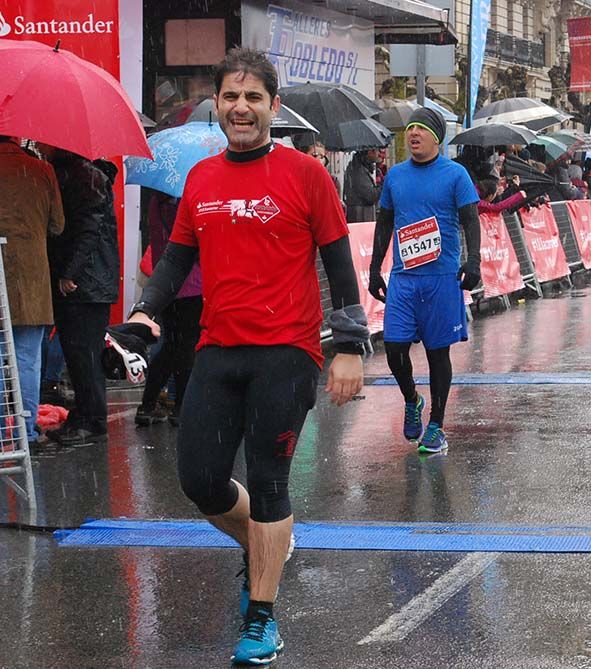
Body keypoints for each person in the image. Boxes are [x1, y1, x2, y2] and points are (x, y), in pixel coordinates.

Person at [126, 48, 368, 665]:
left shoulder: (305, 175)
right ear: (217, 104)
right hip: (218, 346)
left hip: (286, 351)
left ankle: (262, 617)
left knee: (268, 481)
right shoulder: (202, 179)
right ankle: (270, 544)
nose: (241, 107)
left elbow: (340, 263)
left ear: (272, 106)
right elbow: (178, 257)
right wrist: (144, 313)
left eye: (253, 97)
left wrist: (348, 346)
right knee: (200, 480)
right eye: (230, 97)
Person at [367, 106, 481, 454]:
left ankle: (436, 425)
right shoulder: (395, 177)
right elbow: (385, 222)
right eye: (409, 129)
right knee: (395, 347)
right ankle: (412, 398)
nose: (412, 134)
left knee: (437, 354)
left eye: (420, 129)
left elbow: (471, 220)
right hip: (404, 278)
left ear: (436, 137)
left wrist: (472, 260)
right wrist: (374, 269)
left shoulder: (455, 174)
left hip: (441, 278)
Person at [39, 145, 120, 447]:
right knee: (79, 355)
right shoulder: (80, 174)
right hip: (87, 283)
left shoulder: (85, 177)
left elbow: (88, 230)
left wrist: (69, 273)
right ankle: (85, 416)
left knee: (83, 355)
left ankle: (93, 420)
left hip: (86, 285)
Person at [0, 135, 65, 446]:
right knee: (27, 359)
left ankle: (0, 436)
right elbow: (57, 226)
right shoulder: (41, 170)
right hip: (32, 280)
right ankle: (25, 434)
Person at [134, 192, 203, 427]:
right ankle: (181, 407)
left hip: (165, 284)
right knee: (186, 347)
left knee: (172, 346)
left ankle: (148, 403)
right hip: (191, 283)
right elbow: (192, 244)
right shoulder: (181, 204)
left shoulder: (156, 201)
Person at [343, 148, 382, 223]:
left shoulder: (357, 168)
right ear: (370, 152)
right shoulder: (358, 171)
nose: (379, 153)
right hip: (361, 217)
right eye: (377, 150)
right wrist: (383, 186)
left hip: (359, 215)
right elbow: (370, 196)